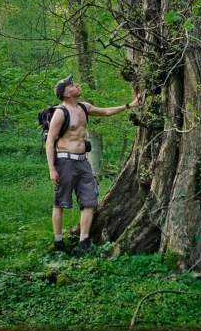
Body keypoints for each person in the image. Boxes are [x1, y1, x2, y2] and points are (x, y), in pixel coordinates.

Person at [47, 74, 140, 257]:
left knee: (89, 202)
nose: (76, 85)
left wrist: (130, 105)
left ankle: (84, 243)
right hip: (65, 162)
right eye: (72, 85)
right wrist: (52, 168)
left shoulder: (84, 107)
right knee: (60, 203)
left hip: (83, 162)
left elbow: (105, 112)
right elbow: (50, 141)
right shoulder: (60, 113)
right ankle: (58, 245)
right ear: (66, 93)